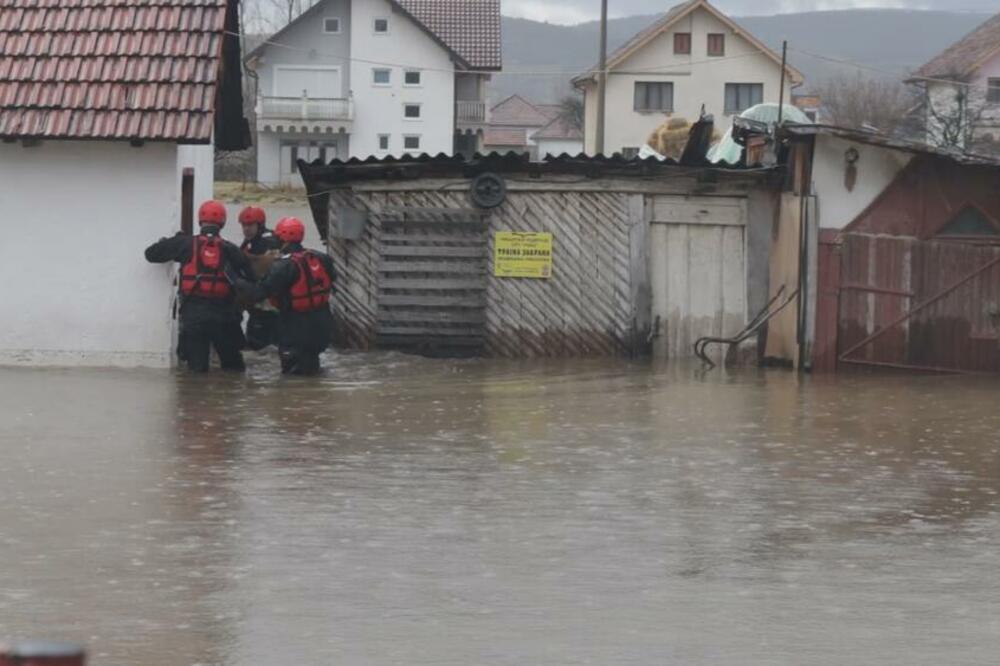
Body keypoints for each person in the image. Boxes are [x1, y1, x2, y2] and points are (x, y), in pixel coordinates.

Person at [144, 200, 256, 372]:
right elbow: (252, 278)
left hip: (194, 315)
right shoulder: (230, 249)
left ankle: (198, 397)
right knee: (234, 370)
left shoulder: (185, 244)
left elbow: (151, 254)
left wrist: (172, 241)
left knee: (196, 372)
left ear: (200, 221)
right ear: (223, 223)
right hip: (224, 315)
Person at [254, 217, 335, 376]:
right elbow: (332, 279)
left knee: (293, 377)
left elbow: (260, 292)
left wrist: (237, 282)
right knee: (313, 368)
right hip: (321, 326)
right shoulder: (322, 258)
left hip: (295, 327)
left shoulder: (284, 266)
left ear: (283, 239)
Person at [237, 206, 281, 351]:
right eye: (243, 225)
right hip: (259, 304)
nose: (246, 229)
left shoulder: (270, 242)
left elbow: (268, 267)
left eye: (250, 225)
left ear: (259, 225)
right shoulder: (250, 242)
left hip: (270, 306)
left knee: (260, 344)